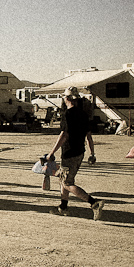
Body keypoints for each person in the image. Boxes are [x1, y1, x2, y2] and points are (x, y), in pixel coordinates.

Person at [44, 86, 105, 220]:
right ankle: (63, 207)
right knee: (64, 179)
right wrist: (92, 154)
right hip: (80, 153)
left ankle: (94, 203)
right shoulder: (83, 114)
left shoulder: (67, 114)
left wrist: (51, 152)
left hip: (69, 153)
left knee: (67, 183)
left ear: (67, 98)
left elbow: (64, 135)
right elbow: (89, 136)